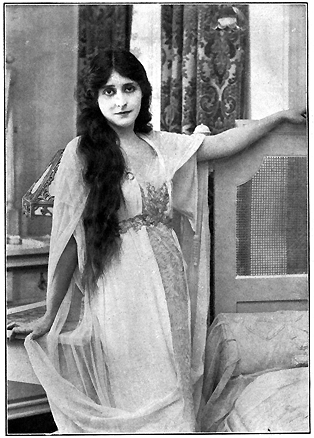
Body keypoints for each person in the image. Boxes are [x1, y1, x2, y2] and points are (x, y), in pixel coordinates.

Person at [8, 49, 306, 433]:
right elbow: (68, 241)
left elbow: (223, 145)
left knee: (173, 377)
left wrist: (278, 117)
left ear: (143, 93)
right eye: (109, 91)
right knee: (136, 385)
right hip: (118, 284)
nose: (121, 100)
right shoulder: (81, 154)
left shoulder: (157, 144)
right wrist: (50, 314)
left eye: (129, 88)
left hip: (169, 276)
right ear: (95, 99)